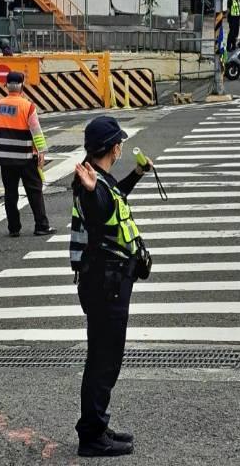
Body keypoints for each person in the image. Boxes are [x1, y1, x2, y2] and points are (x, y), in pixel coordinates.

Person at [71, 116, 152, 457]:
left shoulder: (99, 179)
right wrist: (91, 194)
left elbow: (112, 201)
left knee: (106, 358)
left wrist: (136, 174)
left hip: (109, 282)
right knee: (104, 360)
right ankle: (91, 435)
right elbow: (99, 209)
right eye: (119, 142)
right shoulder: (89, 184)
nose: (121, 147)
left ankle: (98, 425)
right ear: (113, 147)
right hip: (105, 284)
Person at [0, 71, 54, 237]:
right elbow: (36, 132)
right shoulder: (27, 106)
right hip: (26, 157)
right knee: (34, 191)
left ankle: (14, 228)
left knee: (10, 193)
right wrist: (41, 152)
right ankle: (41, 226)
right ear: (22, 86)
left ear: (6, 86)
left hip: (5, 158)